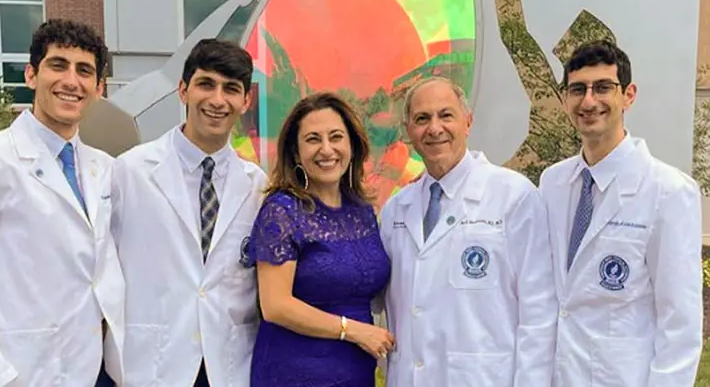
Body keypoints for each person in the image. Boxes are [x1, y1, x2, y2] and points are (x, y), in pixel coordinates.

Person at [0, 19, 124, 386]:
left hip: (94, 370)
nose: (71, 81)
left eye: (84, 71)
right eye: (58, 65)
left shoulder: (105, 168)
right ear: (30, 75)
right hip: (20, 371)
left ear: (98, 89)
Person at [540, 40, 703, 387]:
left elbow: (681, 323)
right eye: (577, 89)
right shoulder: (552, 184)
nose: (589, 101)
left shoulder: (668, 191)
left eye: (603, 87)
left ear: (629, 95)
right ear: (565, 99)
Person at [379, 77, 558, 386]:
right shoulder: (397, 209)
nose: (435, 129)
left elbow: (539, 311)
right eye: (422, 119)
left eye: (446, 115)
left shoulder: (514, 196)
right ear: (409, 131)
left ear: (468, 122)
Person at [110, 38, 267, 386]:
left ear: (246, 101)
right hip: (152, 364)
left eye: (231, 89)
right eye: (205, 84)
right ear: (183, 91)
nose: (217, 100)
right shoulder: (129, 172)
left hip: (228, 365)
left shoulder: (259, 187)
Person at [243, 91, 394, 386]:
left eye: (336, 137)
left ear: (352, 145)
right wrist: (352, 330)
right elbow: (275, 305)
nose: (327, 149)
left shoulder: (361, 211)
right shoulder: (282, 211)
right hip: (295, 372)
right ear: (296, 153)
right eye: (313, 139)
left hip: (355, 372)